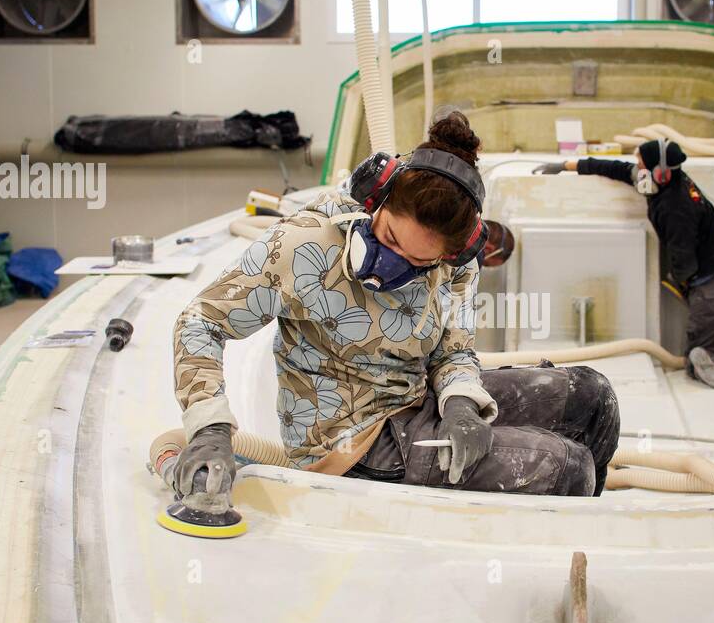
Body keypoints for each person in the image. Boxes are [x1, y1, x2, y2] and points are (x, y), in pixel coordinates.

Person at [171, 111, 620, 508]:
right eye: (388, 240)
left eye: (419, 261)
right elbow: (202, 321)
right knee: (570, 469)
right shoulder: (305, 246)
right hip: (348, 440)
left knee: (593, 398)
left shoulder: (456, 265)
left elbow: (454, 353)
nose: (392, 266)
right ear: (375, 199)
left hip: (415, 399)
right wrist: (209, 429)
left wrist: (462, 404)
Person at [534, 139, 714, 388]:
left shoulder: (676, 207)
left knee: (700, 351)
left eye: (641, 164)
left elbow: (684, 259)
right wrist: (566, 164)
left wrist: (684, 285)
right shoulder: (672, 178)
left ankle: (707, 368)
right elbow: (615, 167)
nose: (637, 168)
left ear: (658, 172)